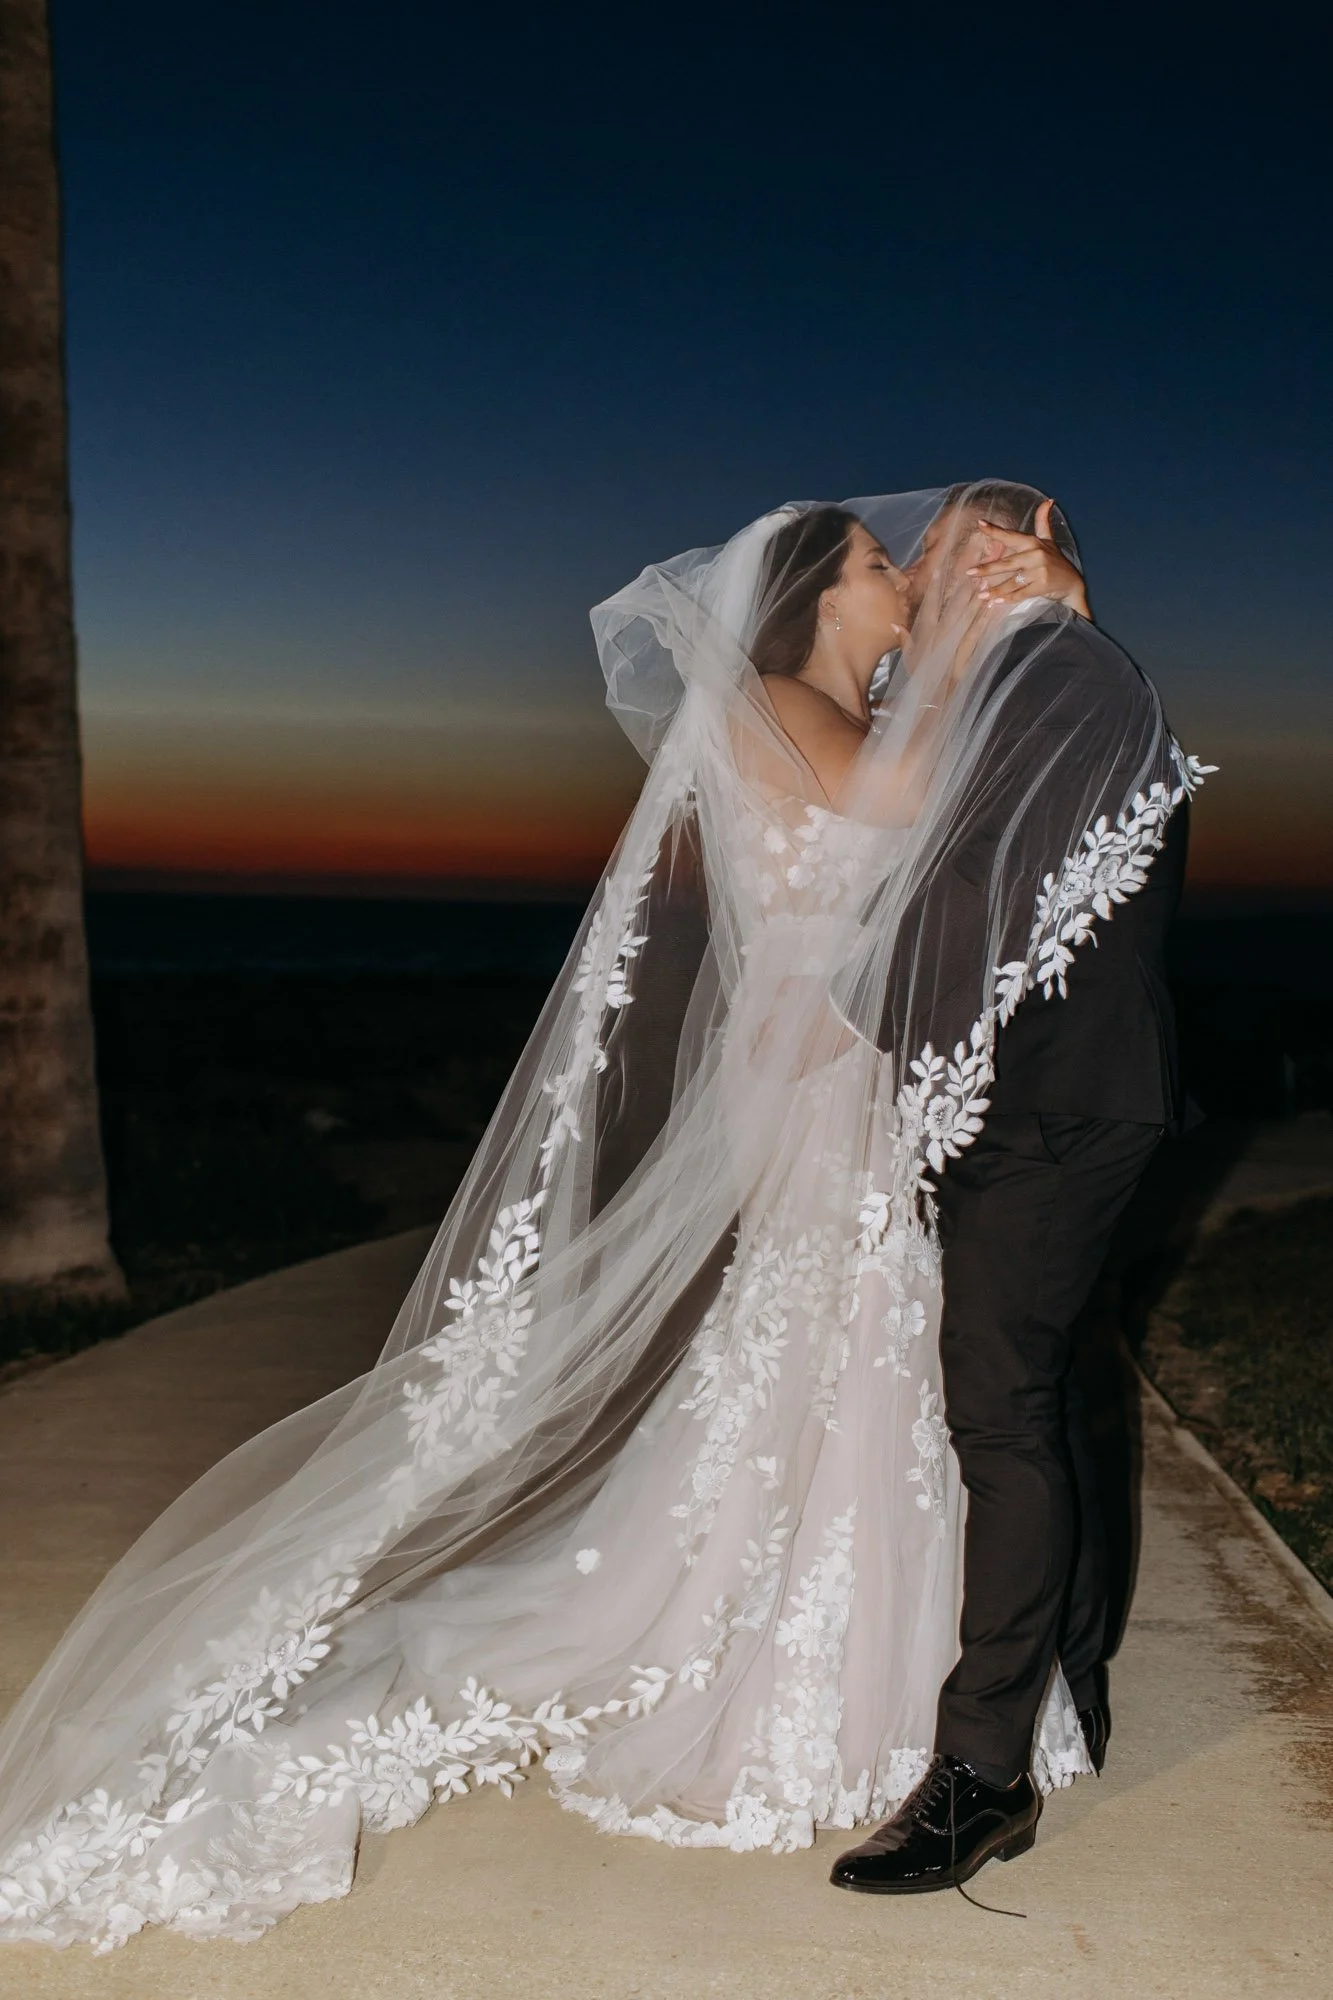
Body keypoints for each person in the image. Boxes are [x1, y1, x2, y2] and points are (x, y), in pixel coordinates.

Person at [0, 491, 1208, 1950]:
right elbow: (901, 807)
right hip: (823, 1082)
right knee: (870, 1356)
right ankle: (891, 1698)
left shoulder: (858, 701)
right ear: (822, 593)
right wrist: (972, 639)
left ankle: (936, 1698)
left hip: (878, 1080)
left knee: (892, 1369)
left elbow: (962, 837)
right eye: (886, 563)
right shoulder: (774, 699)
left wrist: (1004, 636)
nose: (907, 580)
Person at [829, 482, 1204, 1895]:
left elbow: (968, 902)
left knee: (1000, 1406)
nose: (919, 569)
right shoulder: (1022, 678)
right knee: (1048, 1387)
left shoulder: (1065, 667)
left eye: (932, 548)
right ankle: (1071, 1689)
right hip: (1033, 1091)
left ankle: (978, 1777)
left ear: (1008, 544)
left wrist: (857, 1043)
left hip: (1049, 1101)